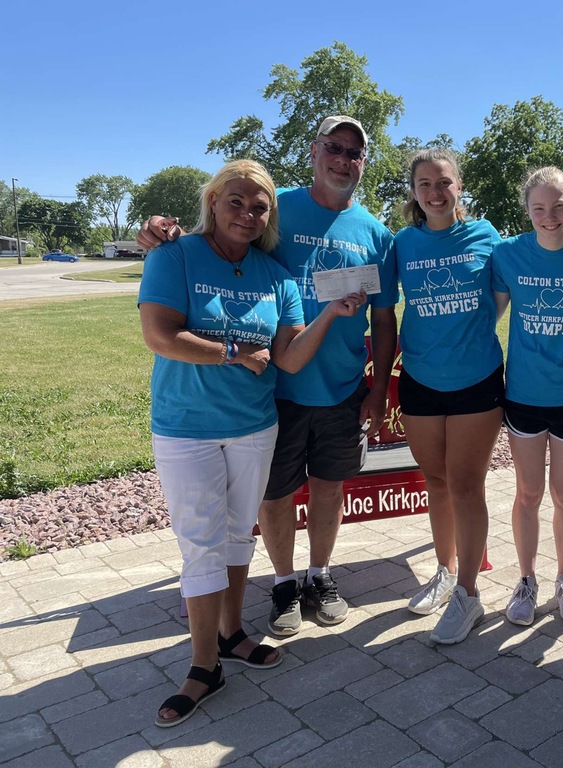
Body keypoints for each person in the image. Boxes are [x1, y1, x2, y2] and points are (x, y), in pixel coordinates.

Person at [138, 116, 399, 639]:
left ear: (363, 163)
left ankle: (319, 576)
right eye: (334, 147)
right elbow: (221, 244)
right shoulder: (274, 207)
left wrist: (377, 389)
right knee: (276, 495)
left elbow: (384, 318)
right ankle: (282, 583)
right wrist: (163, 237)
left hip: (342, 388)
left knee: (329, 488)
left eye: (354, 152)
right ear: (314, 150)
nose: (343, 159)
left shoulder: (376, 234)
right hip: (270, 390)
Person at [139, 159, 367, 727]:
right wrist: (231, 354)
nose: (247, 213)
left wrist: (333, 315)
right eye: (236, 201)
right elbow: (160, 336)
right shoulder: (175, 256)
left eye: (259, 206)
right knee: (201, 544)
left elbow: (287, 357)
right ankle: (203, 665)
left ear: (270, 216)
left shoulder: (277, 277)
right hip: (187, 428)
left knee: (240, 533)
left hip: (255, 426)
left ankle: (234, 632)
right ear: (213, 201)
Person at [395, 148, 503, 644]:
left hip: (476, 380)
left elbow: (503, 297)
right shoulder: (402, 243)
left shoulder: (485, 236)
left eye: (444, 182)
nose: (435, 192)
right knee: (435, 480)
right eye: (424, 184)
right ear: (414, 192)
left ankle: (468, 593)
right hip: (419, 378)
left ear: (459, 186)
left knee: (465, 485)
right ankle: (444, 570)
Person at [491, 167, 563, 625]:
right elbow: (488, 316)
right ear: (528, 211)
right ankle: (526, 579)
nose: (550, 216)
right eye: (539, 208)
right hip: (523, 392)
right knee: (528, 491)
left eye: (558, 206)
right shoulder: (507, 255)